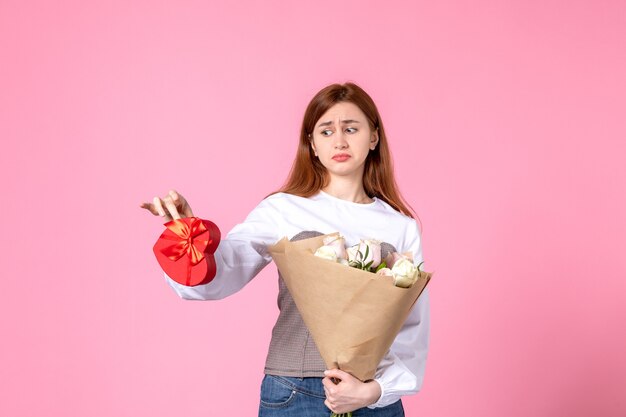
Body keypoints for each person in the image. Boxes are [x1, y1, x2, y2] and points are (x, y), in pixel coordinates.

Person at [140, 82, 430, 416]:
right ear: (312, 144)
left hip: (374, 400)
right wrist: (188, 235)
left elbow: (412, 330)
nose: (339, 140)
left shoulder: (400, 226)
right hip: (295, 393)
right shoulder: (283, 210)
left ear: (374, 137)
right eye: (326, 131)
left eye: (351, 128)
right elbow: (223, 272)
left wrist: (373, 392)